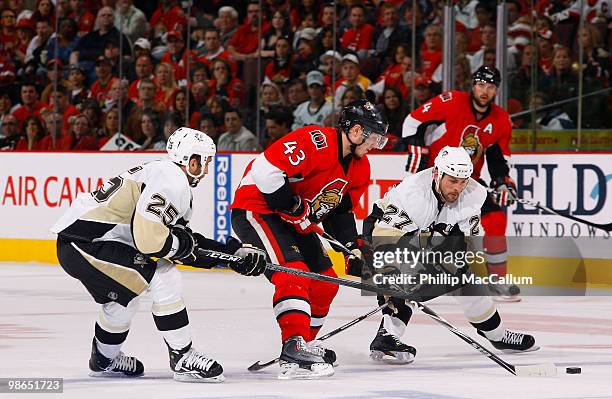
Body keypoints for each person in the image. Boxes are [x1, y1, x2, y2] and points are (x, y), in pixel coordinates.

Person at [50, 128, 267, 382]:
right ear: (192, 161)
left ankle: (103, 359)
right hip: (86, 244)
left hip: (80, 243)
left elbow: (184, 243)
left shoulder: (164, 175)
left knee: (122, 301)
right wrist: (212, 254)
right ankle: (182, 356)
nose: (206, 170)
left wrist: (230, 255)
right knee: (163, 276)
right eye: (205, 162)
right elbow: (151, 241)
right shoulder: (172, 180)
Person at [230, 99, 389, 379]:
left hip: (296, 224)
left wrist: (352, 247)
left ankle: (305, 342)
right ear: (353, 131)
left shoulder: (360, 168)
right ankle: (293, 346)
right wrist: (292, 206)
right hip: (258, 209)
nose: (374, 143)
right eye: (371, 135)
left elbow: (340, 211)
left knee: (325, 281)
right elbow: (266, 172)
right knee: (294, 274)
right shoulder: (314, 140)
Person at [362, 146, 538, 363]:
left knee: (465, 278)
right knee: (405, 280)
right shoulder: (413, 194)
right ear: (437, 174)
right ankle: (387, 336)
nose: (458, 188)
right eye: (452, 181)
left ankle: (497, 335)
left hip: (431, 237)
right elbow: (385, 241)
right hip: (384, 234)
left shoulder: (474, 194)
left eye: (463, 181)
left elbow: (465, 245)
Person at [400, 66, 520, 302]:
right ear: (473, 85)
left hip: (467, 180)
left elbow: (497, 158)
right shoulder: (451, 100)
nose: (485, 91)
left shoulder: (501, 120)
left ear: (496, 90)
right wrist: (418, 153)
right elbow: (412, 122)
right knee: (418, 222)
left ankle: (497, 281)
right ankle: (405, 273)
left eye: (491, 87)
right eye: (481, 85)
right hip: (435, 175)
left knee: (495, 218)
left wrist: (502, 183)